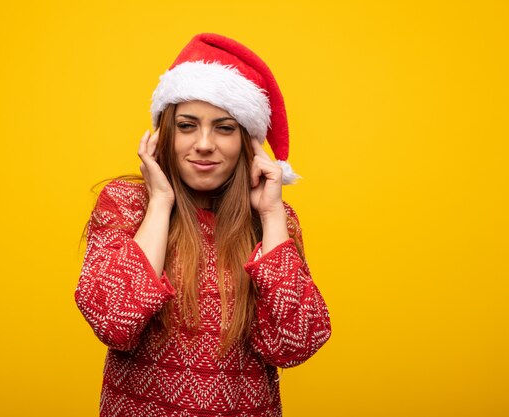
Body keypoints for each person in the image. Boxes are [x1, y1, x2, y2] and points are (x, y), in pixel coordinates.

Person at [75, 33, 331, 417]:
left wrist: (273, 216)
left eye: (225, 128)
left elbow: (296, 344)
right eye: (187, 125)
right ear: (165, 133)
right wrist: (160, 202)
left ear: (249, 141)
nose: (205, 143)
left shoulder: (273, 219)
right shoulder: (127, 204)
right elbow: (114, 321)